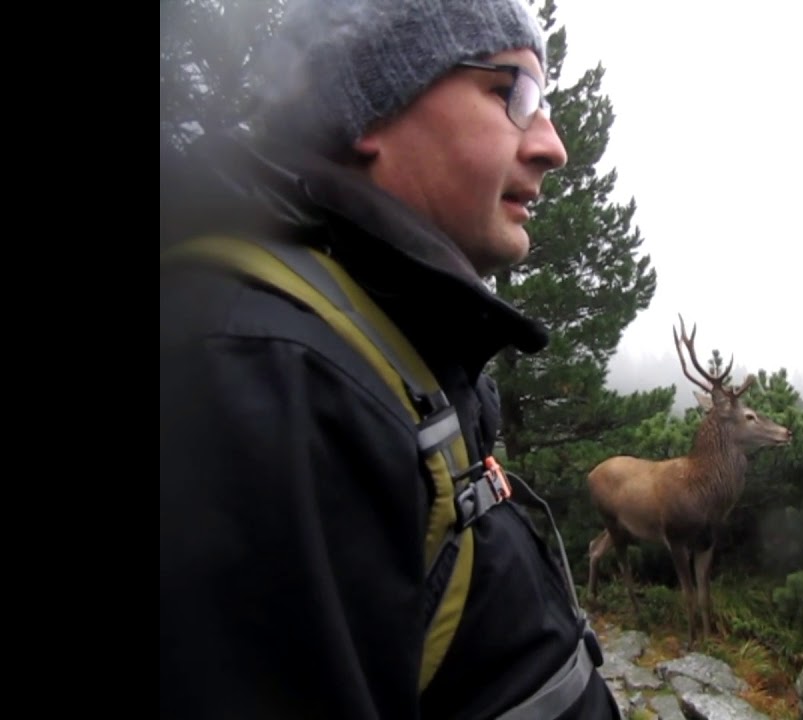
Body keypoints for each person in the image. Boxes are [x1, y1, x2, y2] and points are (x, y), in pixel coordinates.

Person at [159, 0, 621, 718]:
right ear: (371, 107)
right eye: (513, 95)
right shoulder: (273, 377)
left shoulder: (377, 339)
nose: (554, 146)